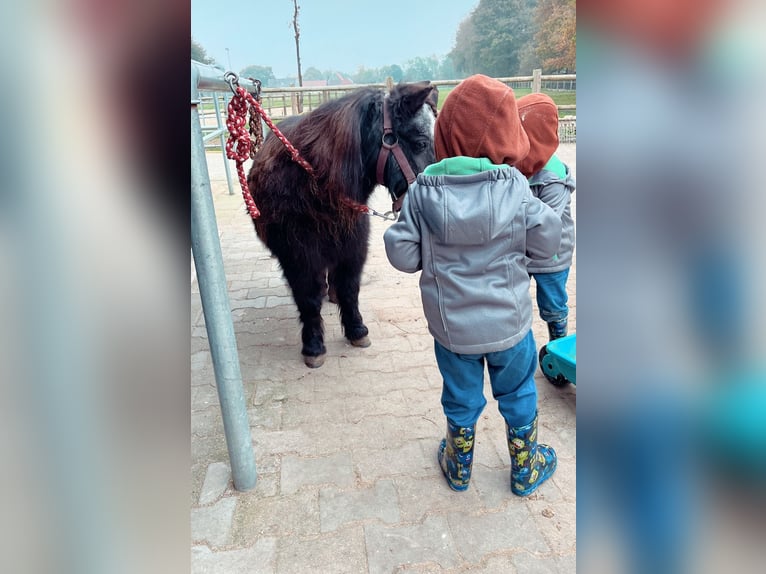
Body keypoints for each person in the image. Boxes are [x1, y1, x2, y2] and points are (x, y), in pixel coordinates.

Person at [383, 75, 562, 496]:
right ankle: (525, 468)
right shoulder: (517, 188)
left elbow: (403, 256)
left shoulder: (422, 192)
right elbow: (548, 239)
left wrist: (424, 241)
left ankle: (459, 466)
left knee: (461, 397)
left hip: (453, 332)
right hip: (511, 326)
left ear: (443, 132)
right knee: (518, 391)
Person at [515, 93, 576, 341]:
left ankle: (558, 342)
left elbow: (546, 222)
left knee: (552, 302)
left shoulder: (553, 176)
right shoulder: (516, 167)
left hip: (552, 255)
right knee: (516, 299)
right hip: (521, 252)